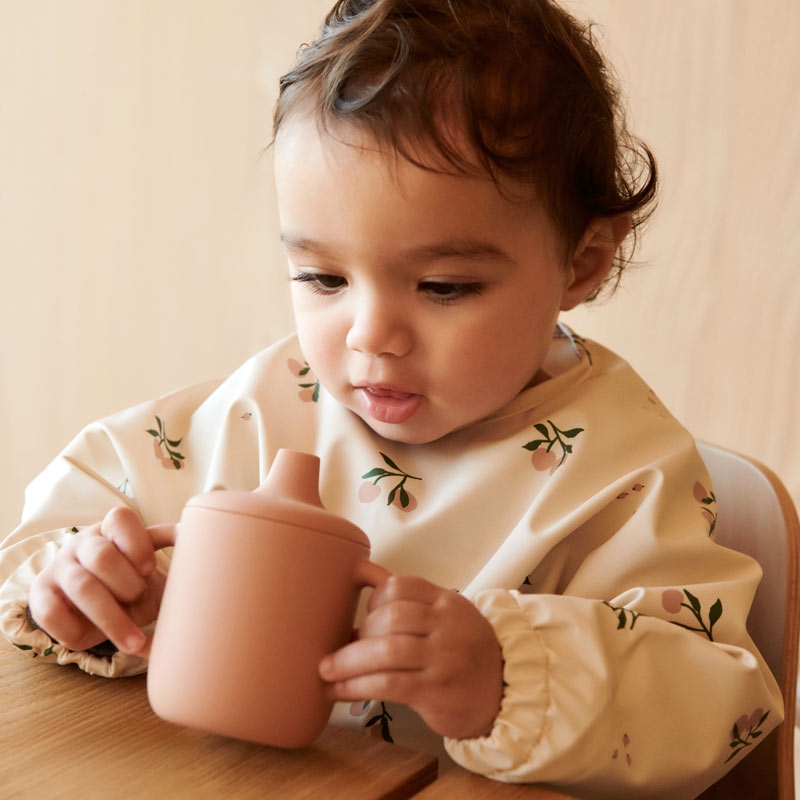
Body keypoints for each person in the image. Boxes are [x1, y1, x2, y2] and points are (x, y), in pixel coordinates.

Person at [0, 0, 782, 796]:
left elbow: (720, 705)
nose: (371, 336)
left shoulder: (622, 471)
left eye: (444, 286)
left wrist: (506, 674)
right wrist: (82, 590)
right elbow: (69, 524)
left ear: (582, 264)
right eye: (323, 278)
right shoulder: (267, 407)